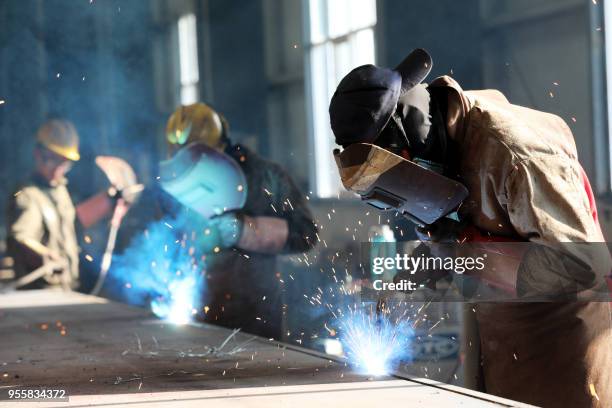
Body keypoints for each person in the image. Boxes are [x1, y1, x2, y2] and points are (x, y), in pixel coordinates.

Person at [329, 49, 611, 407]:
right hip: (499, 338)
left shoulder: (515, 154)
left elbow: (583, 265)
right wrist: (404, 286)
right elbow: (448, 232)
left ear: (410, 144)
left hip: (562, 347)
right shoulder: (444, 145)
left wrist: (467, 253)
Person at [162, 103, 318, 339]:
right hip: (199, 317)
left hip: (256, 318)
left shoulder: (266, 177)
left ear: (218, 148)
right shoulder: (179, 183)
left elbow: (305, 234)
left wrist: (247, 230)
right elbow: (169, 240)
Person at [6, 119, 136, 290]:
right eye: (52, 160)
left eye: (63, 163)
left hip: (66, 287)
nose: (57, 169)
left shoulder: (60, 191)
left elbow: (74, 221)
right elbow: (19, 239)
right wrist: (44, 255)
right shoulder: (28, 196)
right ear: (38, 154)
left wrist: (109, 199)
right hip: (41, 292)